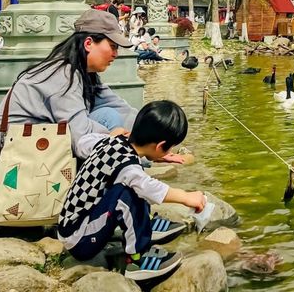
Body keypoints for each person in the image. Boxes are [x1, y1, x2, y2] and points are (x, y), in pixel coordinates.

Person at [0, 10, 138, 202]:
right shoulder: (62, 75)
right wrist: (123, 142)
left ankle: (125, 201)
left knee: (109, 115)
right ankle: (124, 206)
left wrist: (150, 138)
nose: (116, 54)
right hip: (9, 178)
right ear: (88, 43)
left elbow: (121, 108)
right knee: (109, 124)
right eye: (112, 46)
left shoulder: (82, 73)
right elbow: (81, 138)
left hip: (37, 165)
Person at [58, 100, 206, 282]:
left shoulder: (110, 143)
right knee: (126, 193)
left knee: (131, 184)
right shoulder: (128, 167)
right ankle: (137, 259)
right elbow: (152, 188)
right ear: (160, 146)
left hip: (72, 225)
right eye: (170, 147)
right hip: (80, 241)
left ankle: (145, 224)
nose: (172, 151)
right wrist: (186, 197)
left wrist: (113, 136)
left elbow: (82, 143)